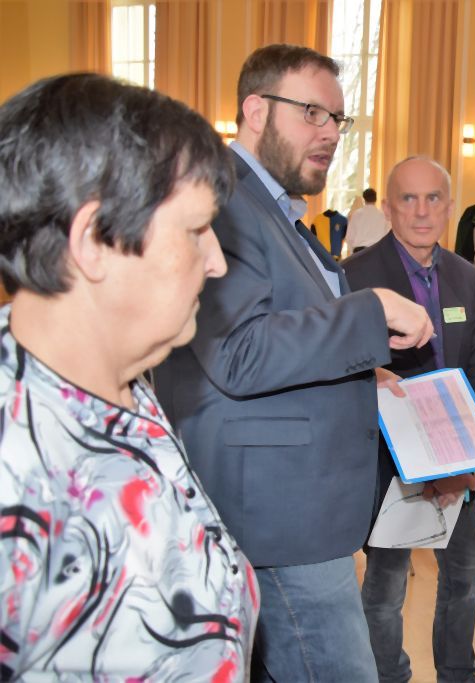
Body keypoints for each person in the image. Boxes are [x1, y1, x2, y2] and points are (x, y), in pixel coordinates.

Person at [152, 44, 433, 681]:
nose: (330, 133)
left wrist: (365, 372)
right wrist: (371, 310)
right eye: (312, 113)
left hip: (299, 508)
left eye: (338, 119)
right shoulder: (222, 201)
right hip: (277, 516)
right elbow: (238, 351)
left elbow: (282, 333)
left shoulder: (272, 209)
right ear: (255, 111)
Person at [0, 73, 257, 679]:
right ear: (93, 240)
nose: (217, 263)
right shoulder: (15, 465)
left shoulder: (121, 376)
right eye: (195, 230)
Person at [346, 157, 475, 683]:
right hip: (389, 462)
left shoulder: (465, 276)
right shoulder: (356, 277)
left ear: (449, 207)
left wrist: (462, 458)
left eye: (433, 199)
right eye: (409, 198)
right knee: (386, 588)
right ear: (388, 207)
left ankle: (458, 673)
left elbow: (474, 369)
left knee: (466, 574)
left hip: (455, 457)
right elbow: (345, 371)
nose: (422, 211)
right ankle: (389, 675)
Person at [347, 186, 388, 252]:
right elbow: (386, 236)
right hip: (377, 250)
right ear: (376, 199)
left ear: (364, 199)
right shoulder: (382, 215)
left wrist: (352, 252)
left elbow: (350, 236)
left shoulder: (357, 214)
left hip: (360, 250)